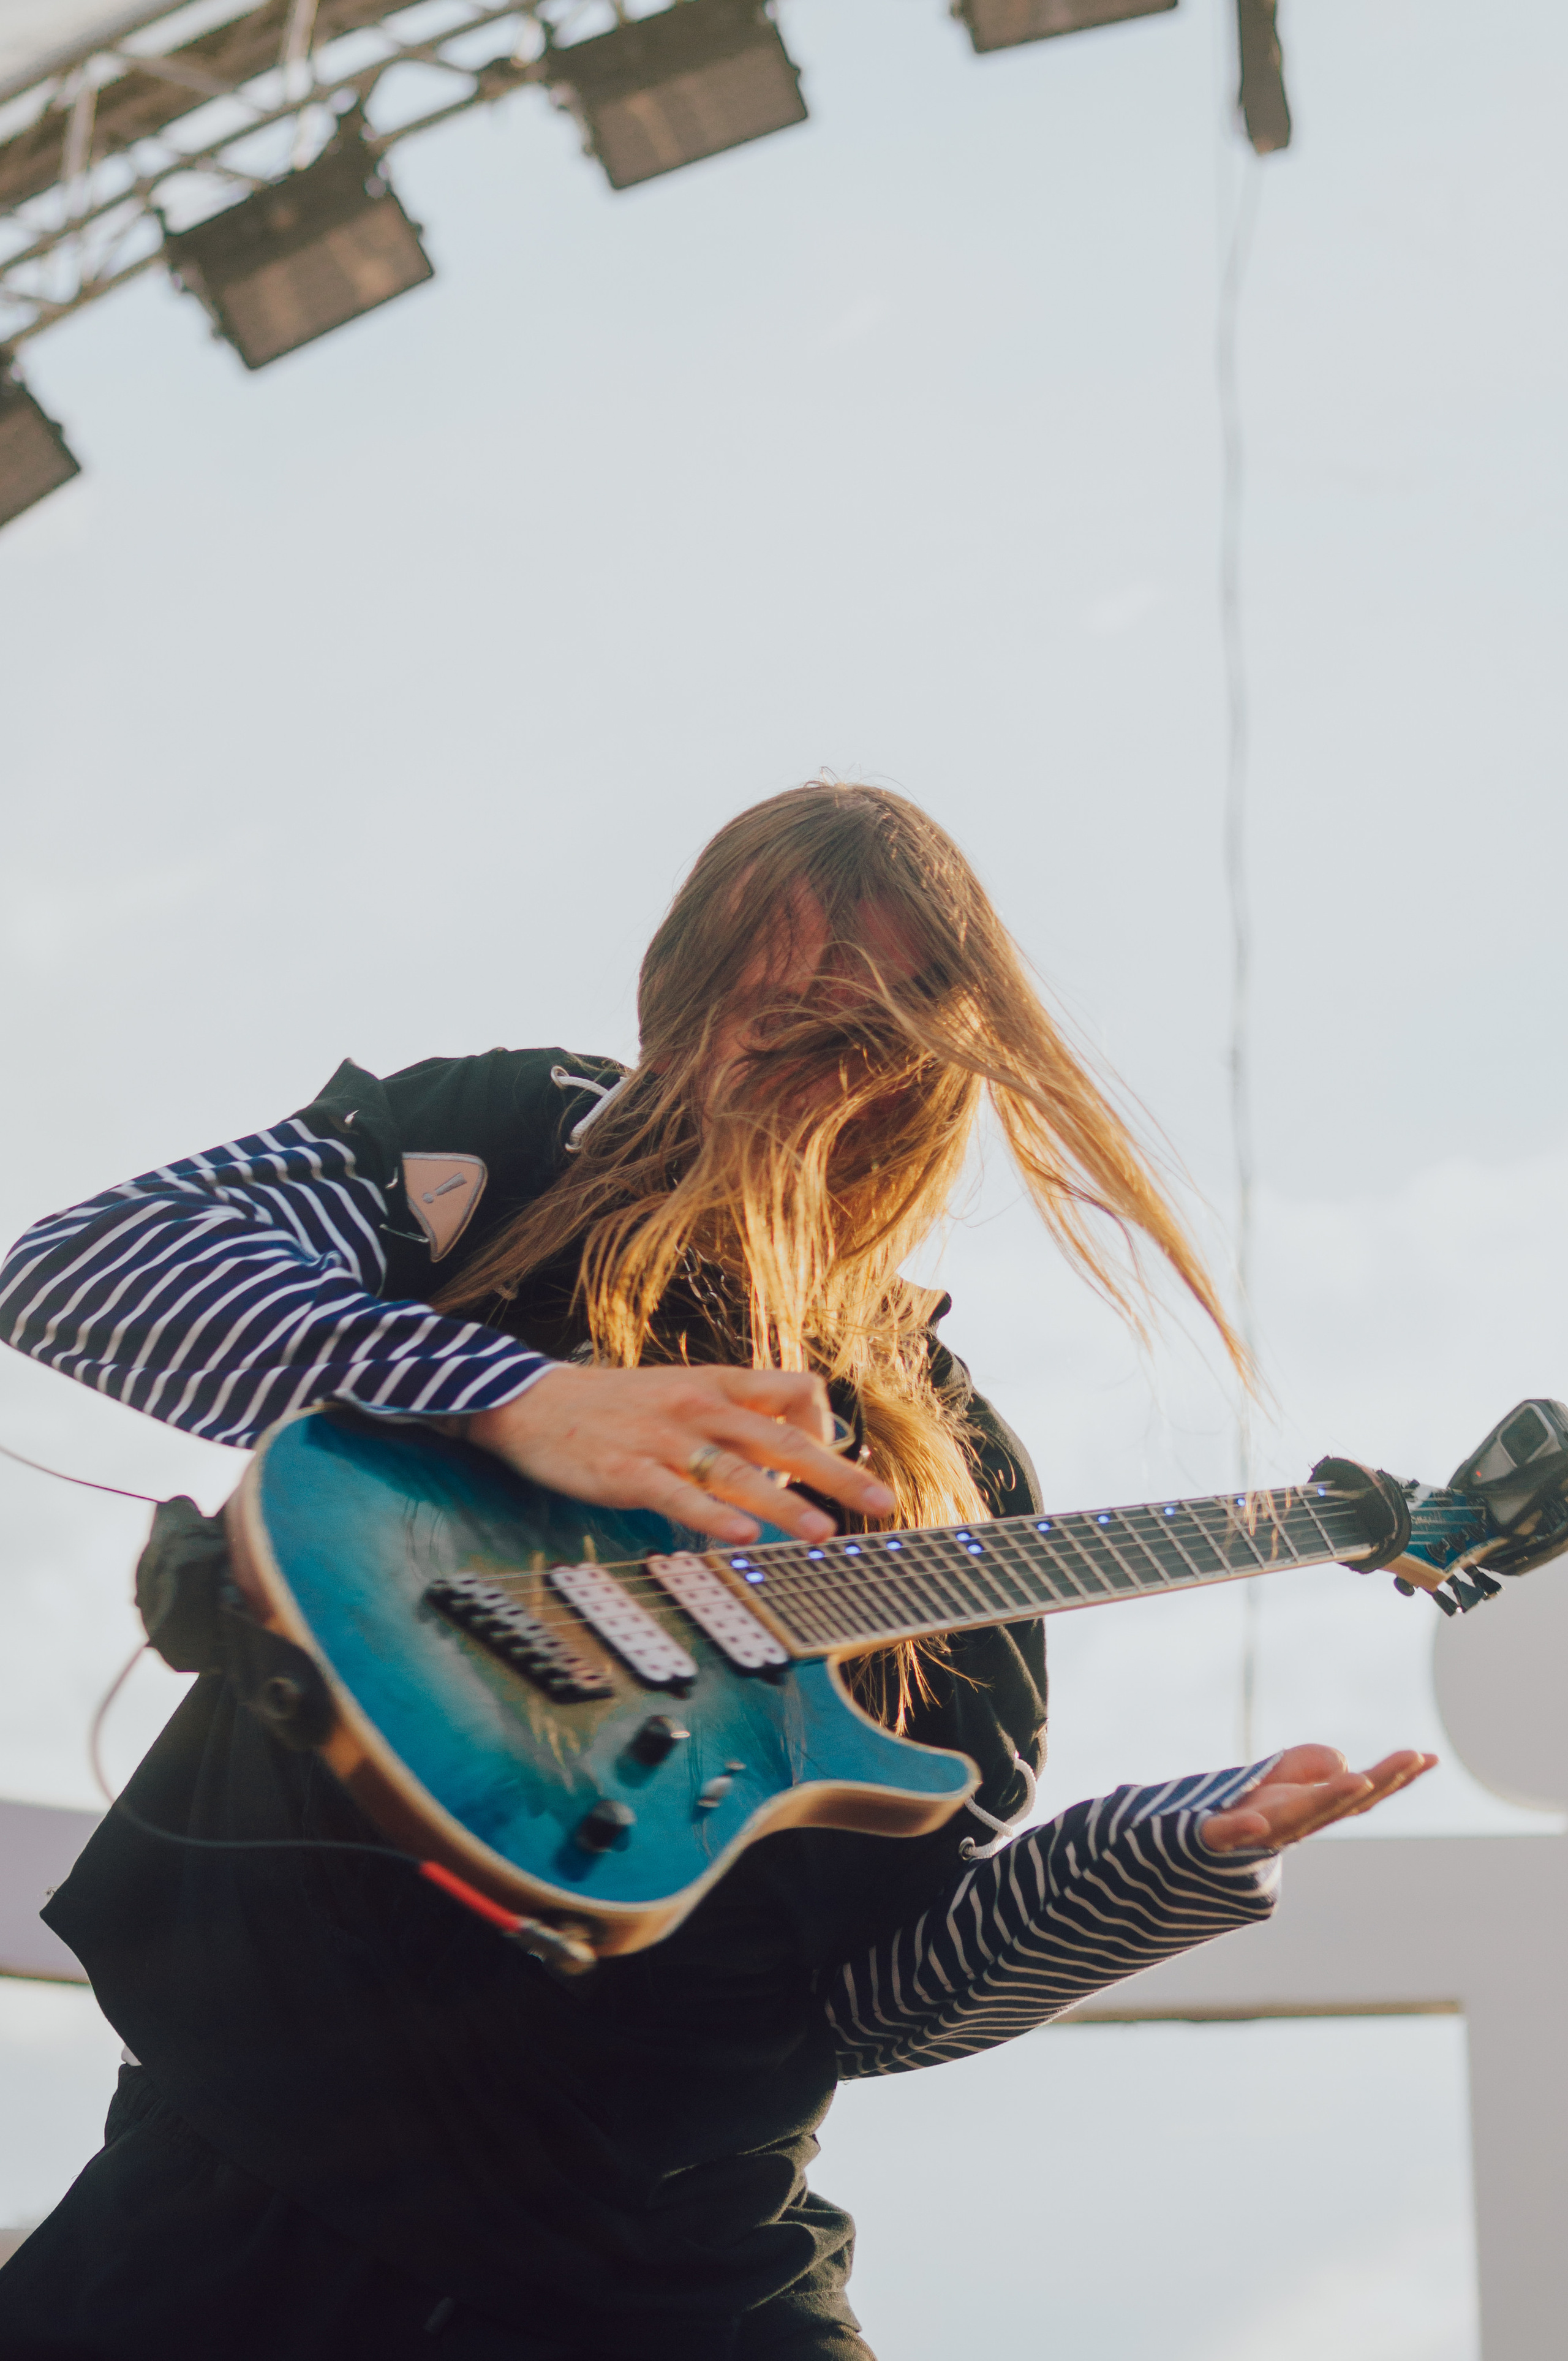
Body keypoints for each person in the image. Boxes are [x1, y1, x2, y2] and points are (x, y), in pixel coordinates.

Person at [0, 784, 1430, 2360]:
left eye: (883, 1032)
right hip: (254, 2164)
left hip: (675, 2250)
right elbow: (83, 1273)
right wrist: (517, 1399)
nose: (823, 1078)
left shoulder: (952, 1464)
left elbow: (878, 1995)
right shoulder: (507, 1146)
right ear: (682, 998)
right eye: (780, 1014)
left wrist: (1172, 1857)